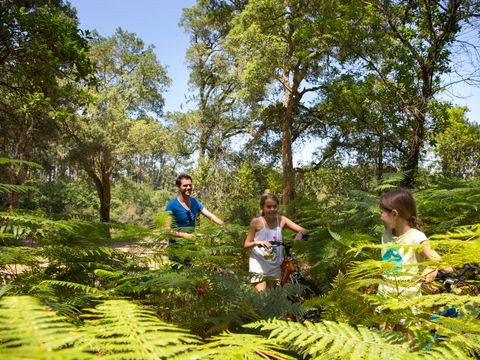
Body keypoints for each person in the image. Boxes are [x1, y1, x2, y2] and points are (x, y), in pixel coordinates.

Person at [378, 188, 451, 299]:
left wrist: (432, 267)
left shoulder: (416, 237)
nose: (380, 216)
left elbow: (448, 267)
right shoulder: (386, 234)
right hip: (383, 296)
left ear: (394, 214)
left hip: (407, 303)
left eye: (381, 212)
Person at [244, 193, 307, 292]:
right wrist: (258, 242)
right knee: (263, 298)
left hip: (274, 265)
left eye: (274, 206)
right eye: (268, 207)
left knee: (270, 298)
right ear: (262, 207)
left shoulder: (282, 220)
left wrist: (299, 236)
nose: (272, 209)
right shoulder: (256, 222)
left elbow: (304, 230)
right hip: (258, 264)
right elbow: (246, 244)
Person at [165, 174, 223, 239]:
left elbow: (211, 216)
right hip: (176, 247)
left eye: (190, 185)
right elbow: (167, 230)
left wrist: (225, 226)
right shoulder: (171, 206)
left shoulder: (195, 202)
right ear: (178, 187)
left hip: (192, 245)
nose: (189, 187)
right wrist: (184, 235)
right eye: (185, 185)